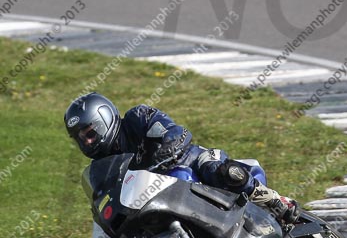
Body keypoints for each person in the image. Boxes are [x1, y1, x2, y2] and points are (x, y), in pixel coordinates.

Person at [64, 92, 299, 224]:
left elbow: (177, 131)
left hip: (188, 162)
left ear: (104, 119)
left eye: (90, 134)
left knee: (222, 171)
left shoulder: (138, 117)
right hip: (157, 198)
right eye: (80, 139)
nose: (87, 142)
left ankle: (274, 201)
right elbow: (104, 200)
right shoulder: (101, 168)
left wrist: (167, 148)